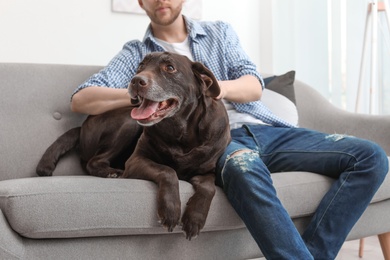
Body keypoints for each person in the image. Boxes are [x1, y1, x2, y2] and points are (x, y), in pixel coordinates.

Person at [71, 0, 389, 259]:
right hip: (223, 144)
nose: (161, 0)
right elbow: (82, 99)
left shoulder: (219, 33)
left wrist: (207, 86)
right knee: (242, 169)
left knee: (372, 157)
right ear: (141, 2)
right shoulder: (138, 55)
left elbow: (253, 86)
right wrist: (142, 93)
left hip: (265, 129)